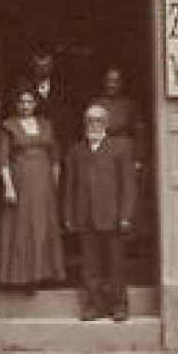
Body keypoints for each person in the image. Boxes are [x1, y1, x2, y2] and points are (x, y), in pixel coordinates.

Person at [63, 104, 137, 322]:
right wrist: (68, 214)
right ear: (84, 123)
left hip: (112, 217)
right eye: (89, 120)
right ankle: (93, 306)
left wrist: (125, 215)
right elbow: (70, 185)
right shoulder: (77, 150)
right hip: (85, 217)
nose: (93, 124)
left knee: (115, 264)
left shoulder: (120, 147)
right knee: (90, 266)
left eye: (97, 120)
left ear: (105, 123)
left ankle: (119, 306)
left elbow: (128, 185)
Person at [0, 87, 66, 292]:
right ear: (16, 104)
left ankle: (44, 273)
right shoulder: (8, 126)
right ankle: (24, 277)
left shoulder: (46, 124)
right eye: (22, 102)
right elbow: (3, 159)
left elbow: (55, 157)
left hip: (44, 183)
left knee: (42, 226)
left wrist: (55, 182)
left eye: (29, 102)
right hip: (21, 183)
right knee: (23, 228)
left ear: (35, 104)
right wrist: (8, 186)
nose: (26, 106)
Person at [89, 66, 147, 170]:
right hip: (103, 151)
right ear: (104, 82)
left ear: (121, 83)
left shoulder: (129, 105)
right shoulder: (96, 104)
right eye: (109, 81)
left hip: (125, 152)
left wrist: (138, 158)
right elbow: (89, 133)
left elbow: (139, 131)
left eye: (115, 81)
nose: (112, 85)